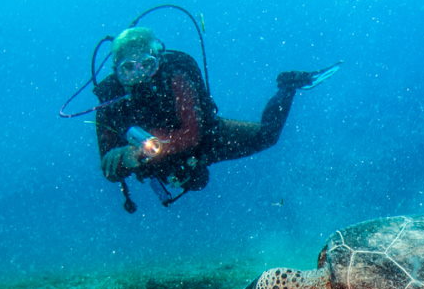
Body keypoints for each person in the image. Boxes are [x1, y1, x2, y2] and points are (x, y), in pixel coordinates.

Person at [94, 26, 332, 204]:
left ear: (157, 61)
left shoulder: (175, 76)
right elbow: (107, 166)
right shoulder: (109, 98)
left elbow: (192, 134)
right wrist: (125, 157)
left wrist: (154, 144)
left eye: (146, 65)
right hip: (162, 162)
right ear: (116, 70)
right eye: (128, 68)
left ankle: (287, 85)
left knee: (268, 135)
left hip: (207, 139)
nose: (139, 75)